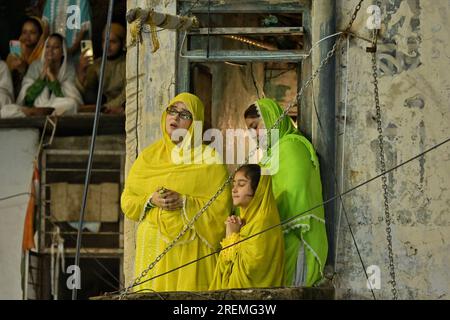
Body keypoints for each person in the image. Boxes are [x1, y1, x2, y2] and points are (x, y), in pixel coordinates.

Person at [121, 92, 232, 292]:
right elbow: (128, 201)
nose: (176, 117)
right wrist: (151, 199)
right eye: (172, 111)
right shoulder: (148, 157)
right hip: (154, 247)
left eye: (185, 114)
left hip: (191, 251)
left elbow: (221, 209)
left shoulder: (210, 159)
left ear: (194, 123)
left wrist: (185, 202)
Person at [244, 98, 328, 287]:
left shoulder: (291, 148)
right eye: (249, 129)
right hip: (277, 240)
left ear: (272, 119)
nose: (253, 134)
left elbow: (294, 195)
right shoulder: (269, 157)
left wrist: (263, 219)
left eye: (256, 126)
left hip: (297, 240)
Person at [209, 164, 285, 290]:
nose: (234, 190)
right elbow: (227, 264)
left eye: (241, 184)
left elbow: (251, 269)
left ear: (258, 190)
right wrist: (233, 233)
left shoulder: (263, 223)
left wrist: (232, 236)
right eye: (234, 184)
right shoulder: (245, 221)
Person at [1, 33, 82, 118]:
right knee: (9, 108)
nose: (50, 50)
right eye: (48, 46)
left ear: (63, 51)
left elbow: (64, 98)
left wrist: (52, 78)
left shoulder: (68, 69)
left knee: (72, 104)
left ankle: (48, 114)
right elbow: (27, 99)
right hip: (35, 108)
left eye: (56, 47)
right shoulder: (35, 66)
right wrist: (42, 77)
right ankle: (42, 113)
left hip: (55, 107)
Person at [76, 23, 126, 114]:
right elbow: (86, 91)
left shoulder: (127, 64)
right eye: (105, 41)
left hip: (120, 108)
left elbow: (126, 93)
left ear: (122, 43)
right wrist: (82, 70)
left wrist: (108, 107)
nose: (107, 45)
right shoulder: (97, 64)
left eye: (113, 41)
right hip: (101, 110)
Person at [6, 16, 47, 98]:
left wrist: (25, 68)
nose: (27, 36)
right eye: (24, 32)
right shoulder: (16, 46)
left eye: (32, 33)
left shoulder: (45, 51)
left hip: (35, 93)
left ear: (41, 35)